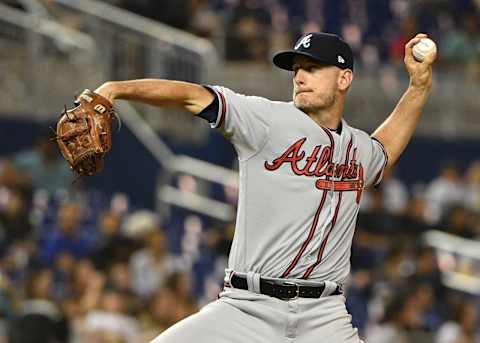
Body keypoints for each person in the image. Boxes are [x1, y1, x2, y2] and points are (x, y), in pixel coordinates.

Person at [93, 32, 436, 343]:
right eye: (297, 69)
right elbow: (191, 96)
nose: (300, 77)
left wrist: (418, 87)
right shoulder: (264, 120)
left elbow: (386, 148)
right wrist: (115, 89)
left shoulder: (358, 149)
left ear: (344, 78)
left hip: (324, 317)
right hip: (247, 308)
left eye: (313, 68)